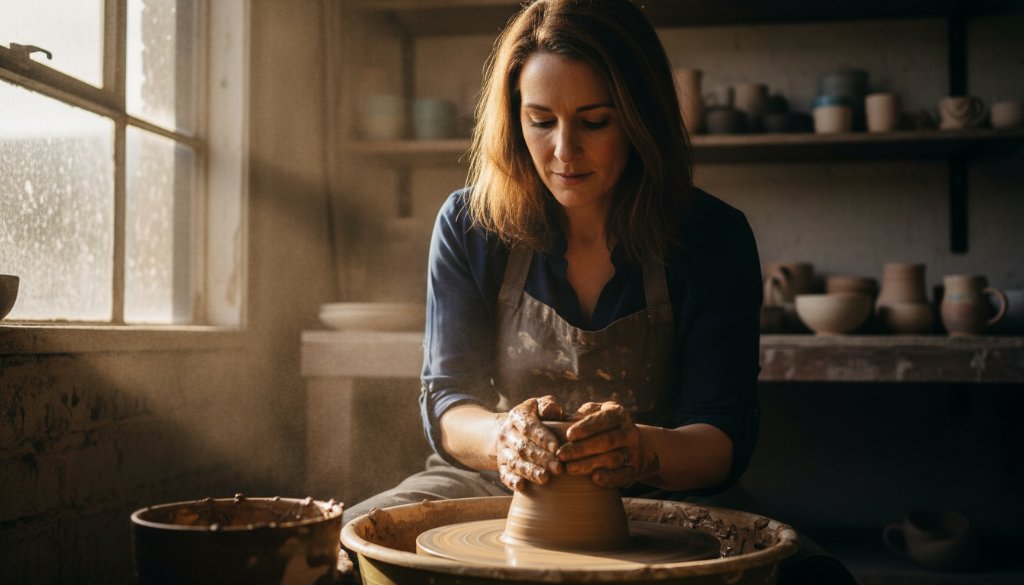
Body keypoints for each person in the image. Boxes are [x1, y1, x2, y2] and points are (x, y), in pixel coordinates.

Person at [344, 1, 856, 583]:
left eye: (594, 121)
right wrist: (504, 438)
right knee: (335, 553)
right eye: (541, 120)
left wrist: (637, 450)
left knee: (814, 578)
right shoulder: (471, 224)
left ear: (640, 119)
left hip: (666, 490)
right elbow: (448, 401)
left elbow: (723, 435)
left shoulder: (711, 237)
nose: (565, 151)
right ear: (514, 119)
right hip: (491, 480)